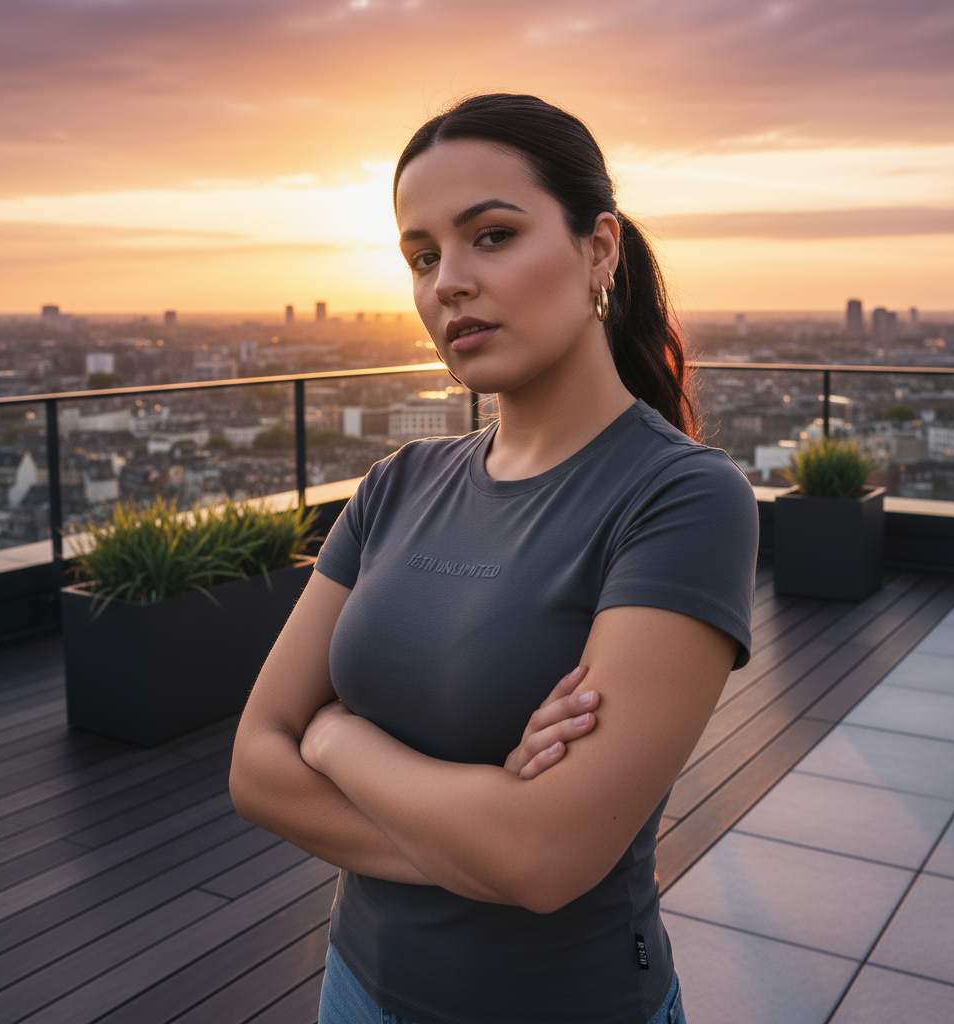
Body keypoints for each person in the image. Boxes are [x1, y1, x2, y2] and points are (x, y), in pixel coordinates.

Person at [229, 93, 758, 1024]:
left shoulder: (681, 498)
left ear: (599, 249)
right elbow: (254, 766)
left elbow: (545, 861)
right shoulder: (395, 484)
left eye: (493, 236)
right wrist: (484, 834)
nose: (448, 283)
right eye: (423, 256)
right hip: (353, 985)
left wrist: (336, 738)